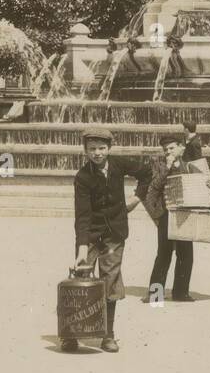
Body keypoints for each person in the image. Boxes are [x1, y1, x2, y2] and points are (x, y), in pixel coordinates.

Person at [67, 129, 143, 354]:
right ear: (85, 150)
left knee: (110, 280)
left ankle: (107, 335)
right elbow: (82, 215)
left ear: (109, 148)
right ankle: (71, 334)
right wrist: (82, 248)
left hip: (114, 234)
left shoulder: (119, 165)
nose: (97, 153)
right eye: (92, 149)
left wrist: (138, 197)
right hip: (90, 234)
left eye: (101, 148)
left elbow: (147, 172)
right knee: (80, 279)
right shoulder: (82, 177)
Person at [139, 135, 195, 303]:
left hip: (186, 214)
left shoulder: (189, 165)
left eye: (171, 148)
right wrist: (168, 167)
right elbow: (155, 185)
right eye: (165, 149)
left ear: (181, 147)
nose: (168, 152)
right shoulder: (159, 164)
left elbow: (200, 182)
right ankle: (156, 295)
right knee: (164, 254)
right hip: (166, 214)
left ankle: (181, 293)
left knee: (186, 254)